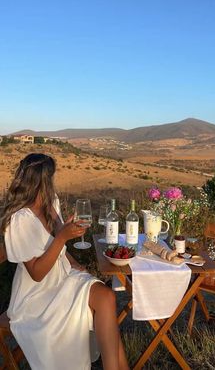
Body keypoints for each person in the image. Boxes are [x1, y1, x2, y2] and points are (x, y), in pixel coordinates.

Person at [1, 153, 129, 370]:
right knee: (104, 302)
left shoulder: (52, 203)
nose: (53, 182)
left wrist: (77, 265)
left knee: (106, 296)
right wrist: (63, 237)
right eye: (51, 178)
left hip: (63, 276)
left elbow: (58, 249)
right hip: (36, 295)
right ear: (42, 180)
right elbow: (36, 273)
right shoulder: (20, 219)